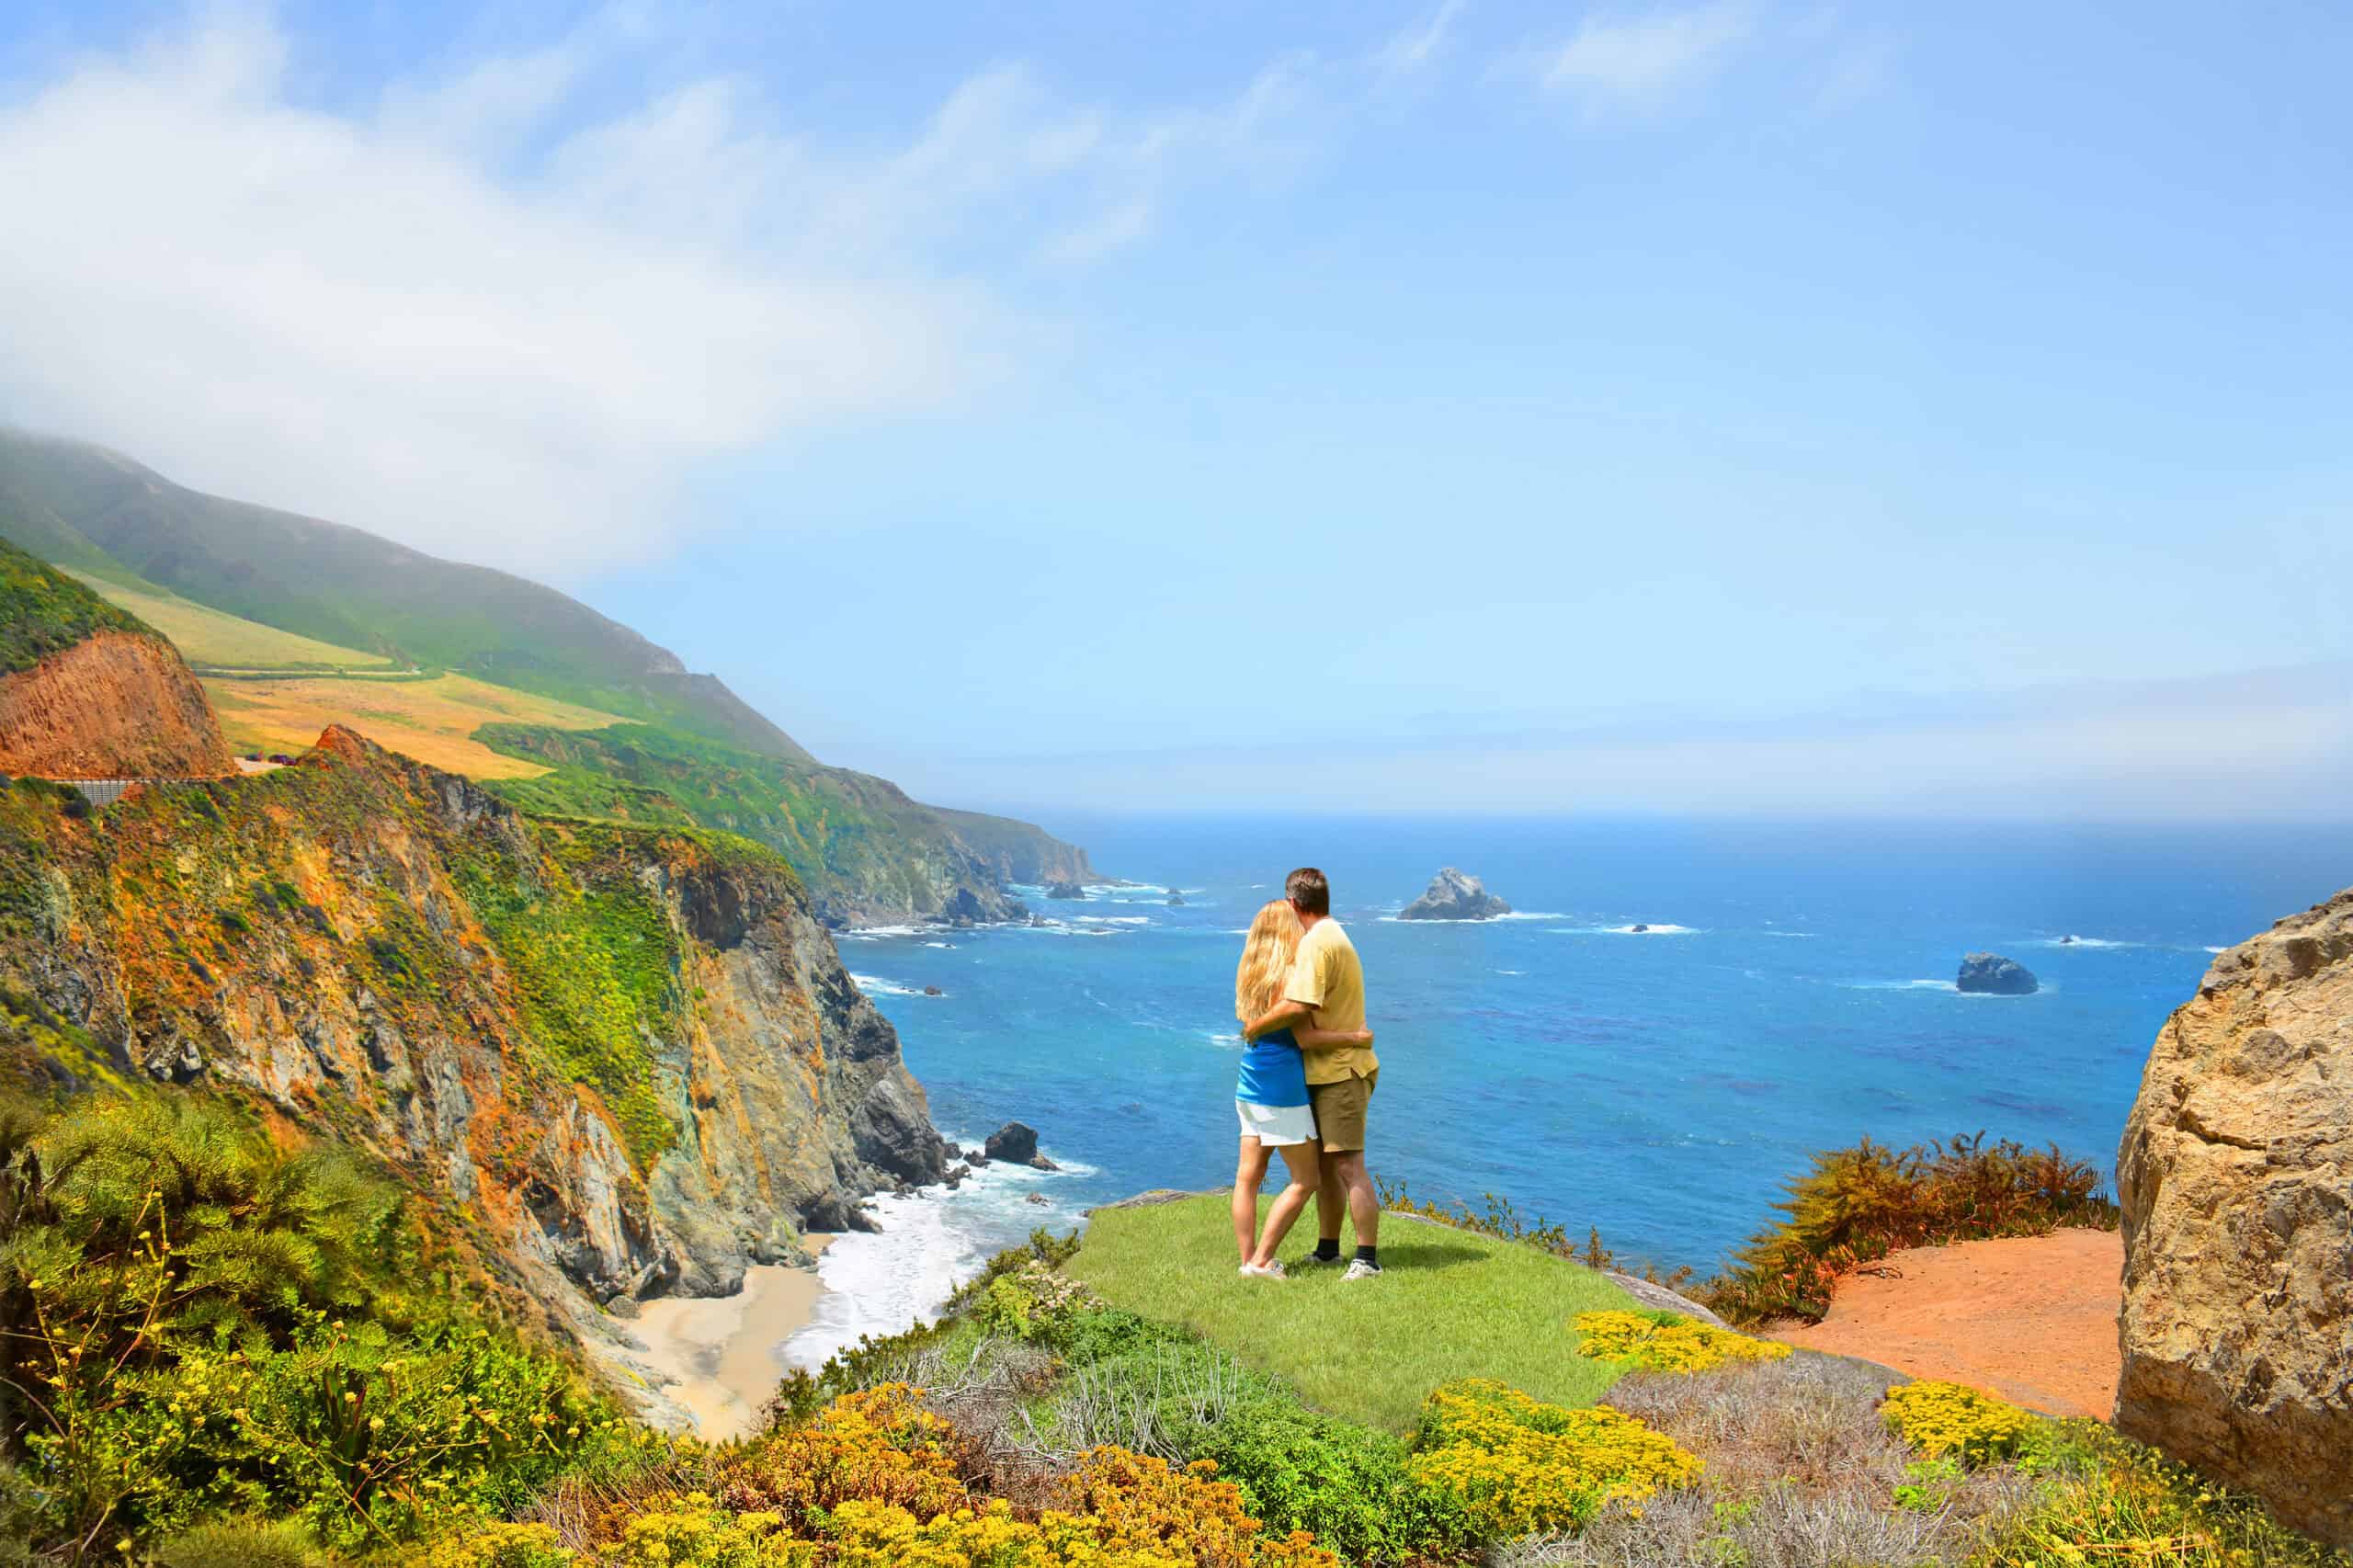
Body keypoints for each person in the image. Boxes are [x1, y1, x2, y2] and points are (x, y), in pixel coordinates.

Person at [1240, 867, 1381, 1278]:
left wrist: (1255, 1025)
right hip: (1327, 1072)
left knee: (1349, 1165)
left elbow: (1299, 1009)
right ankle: (1328, 1248)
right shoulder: (1333, 935)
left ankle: (1367, 1259)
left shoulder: (1316, 944)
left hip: (1341, 1071)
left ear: (1293, 903)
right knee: (1325, 1167)